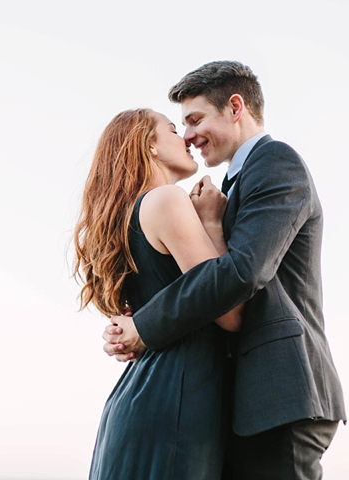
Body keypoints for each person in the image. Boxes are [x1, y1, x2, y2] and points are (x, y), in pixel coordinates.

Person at [102, 61, 347, 480]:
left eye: (195, 120)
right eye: (181, 126)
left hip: (280, 392)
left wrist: (144, 325)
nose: (190, 136)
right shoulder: (220, 192)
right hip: (238, 398)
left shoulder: (276, 163)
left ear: (235, 107)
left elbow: (243, 272)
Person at [73, 108, 243, 479]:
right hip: (176, 400)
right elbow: (228, 312)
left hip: (143, 399)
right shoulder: (166, 200)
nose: (186, 137)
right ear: (149, 145)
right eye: (171, 129)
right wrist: (213, 224)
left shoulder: (127, 217)